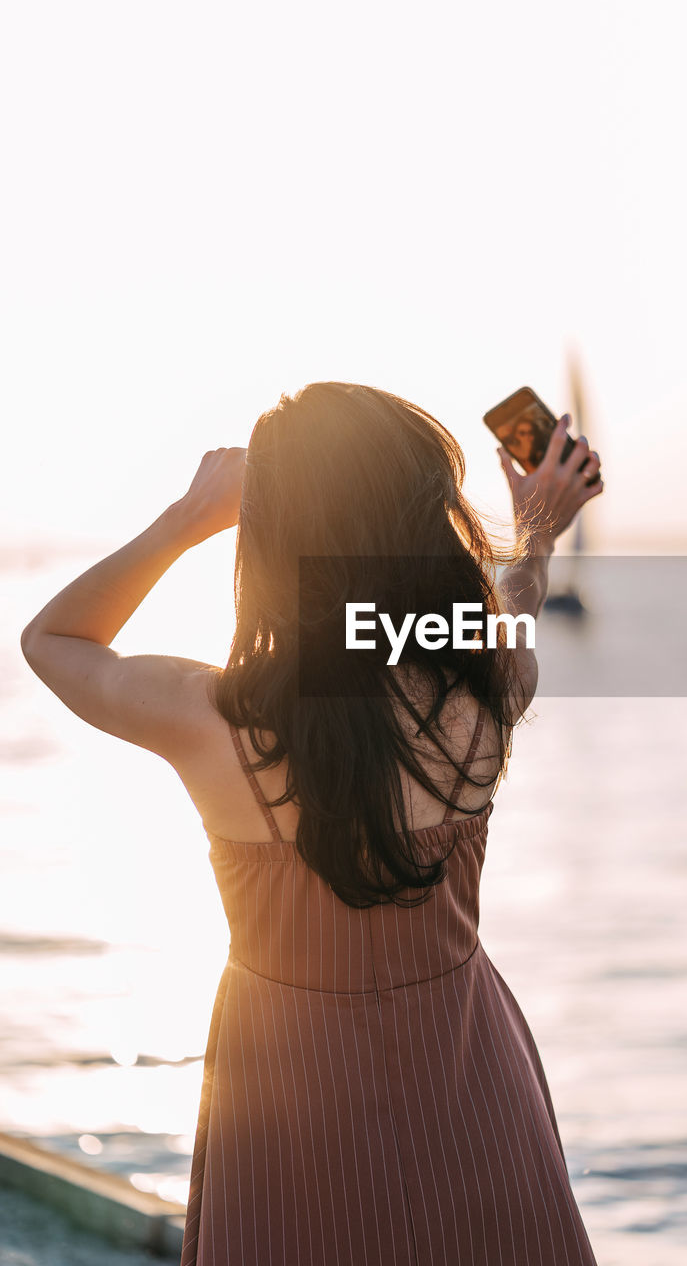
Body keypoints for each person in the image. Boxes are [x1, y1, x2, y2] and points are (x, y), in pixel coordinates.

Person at [20, 381, 604, 1266]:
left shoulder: (209, 716)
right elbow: (513, 601)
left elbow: (56, 642)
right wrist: (538, 530)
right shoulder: (487, 686)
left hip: (283, 1104)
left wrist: (189, 517)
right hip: (469, 1077)